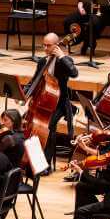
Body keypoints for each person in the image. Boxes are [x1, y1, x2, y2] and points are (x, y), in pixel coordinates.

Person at [32, 31, 79, 166]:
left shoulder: (65, 61)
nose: (46, 49)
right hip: (43, 101)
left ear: (57, 46)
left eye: (49, 46)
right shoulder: (42, 61)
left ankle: (45, 163)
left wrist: (62, 56)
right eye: (44, 45)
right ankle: (32, 159)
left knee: (48, 126)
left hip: (59, 103)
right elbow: (34, 80)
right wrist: (26, 93)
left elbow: (74, 73)